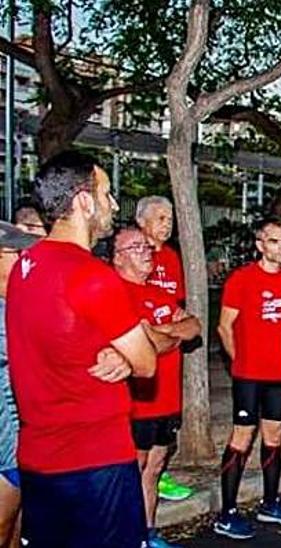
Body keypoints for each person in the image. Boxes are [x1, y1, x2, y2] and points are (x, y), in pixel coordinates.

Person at [7, 151, 158, 547]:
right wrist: (127, 352)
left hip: (39, 459)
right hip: (96, 461)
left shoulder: (24, 267)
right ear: (83, 201)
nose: (112, 204)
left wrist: (117, 349)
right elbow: (146, 363)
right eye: (106, 194)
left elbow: (60, 338)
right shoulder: (91, 275)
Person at [111, 226, 202, 548]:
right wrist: (162, 335)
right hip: (137, 402)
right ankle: (127, 535)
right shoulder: (114, 293)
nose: (147, 252)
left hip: (167, 400)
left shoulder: (158, 293)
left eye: (148, 247)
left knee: (155, 468)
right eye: (137, 248)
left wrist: (159, 330)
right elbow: (148, 344)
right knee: (132, 471)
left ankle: (148, 533)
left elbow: (193, 325)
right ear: (118, 258)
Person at [213, 218, 281, 539]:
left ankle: (270, 503)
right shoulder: (242, 279)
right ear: (260, 245)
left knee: (274, 436)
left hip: (278, 374)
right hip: (248, 376)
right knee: (242, 438)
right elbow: (224, 327)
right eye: (275, 241)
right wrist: (242, 363)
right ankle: (227, 513)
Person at [133, 195, 196, 504]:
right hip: (141, 365)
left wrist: (168, 331)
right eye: (160, 218)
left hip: (171, 358)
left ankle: (159, 476)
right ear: (141, 222)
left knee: (162, 439)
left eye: (169, 218)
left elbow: (181, 312)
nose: (167, 224)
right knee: (138, 450)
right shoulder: (132, 261)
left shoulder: (171, 257)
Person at [0, 221, 37, 548]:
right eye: (17, 253)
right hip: (5, 446)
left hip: (21, 441)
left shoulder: (18, 302)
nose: (25, 260)